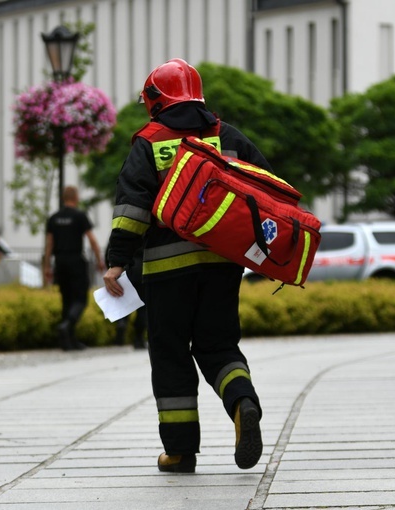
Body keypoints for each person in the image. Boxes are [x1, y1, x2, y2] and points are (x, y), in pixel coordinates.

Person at [103, 58, 267, 473]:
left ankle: (180, 452)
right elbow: (264, 192)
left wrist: (117, 261)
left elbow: (131, 207)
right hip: (221, 267)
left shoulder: (149, 140)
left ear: (156, 100)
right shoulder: (227, 137)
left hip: (166, 270)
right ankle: (243, 403)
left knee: (171, 353)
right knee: (218, 346)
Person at [43, 185, 105, 351]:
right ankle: (67, 325)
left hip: (60, 262)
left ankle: (68, 341)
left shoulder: (53, 218)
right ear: (75, 197)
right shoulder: (79, 216)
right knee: (80, 299)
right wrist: (99, 260)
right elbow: (92, 240)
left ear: (64, 198)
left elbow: (49, 244)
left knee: (66, 299)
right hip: (76, 260)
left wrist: (47, 267)